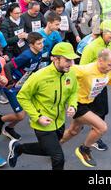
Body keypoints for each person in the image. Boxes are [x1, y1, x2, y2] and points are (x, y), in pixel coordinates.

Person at [7, 42, 79, 170]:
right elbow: (22, 96)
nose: (71, 63)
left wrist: (73, 105)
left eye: (72, 60)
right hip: (42, 123)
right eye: (67, 60)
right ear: (56, 59)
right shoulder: (39, 76)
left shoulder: (70, 73)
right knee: (58, 157)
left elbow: (73, 92)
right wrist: (37, 116)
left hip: (60, 121)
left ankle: (18, 148)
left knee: (47, 150)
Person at [61, 49, 111, 168]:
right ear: (100, 61)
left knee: (73, 131)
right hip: (77, 104)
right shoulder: (86, 70)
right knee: (101, 127)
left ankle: (53, 148)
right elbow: (63, 71)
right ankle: (84, 149)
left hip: (89, 102)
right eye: (109, 64)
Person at [79, 20, 111, 151]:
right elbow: (82, 68)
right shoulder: (91, 47)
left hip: (102, 83)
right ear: (102, 32)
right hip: (89, 85)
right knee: (90, 110)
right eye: (110, 33)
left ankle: (92, 129)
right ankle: (95, 136)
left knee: (102, 110)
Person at [1, 32, 44, 141]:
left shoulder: (39, 54)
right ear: (31, 45)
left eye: (42, 42)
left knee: (25, 111)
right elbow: (7, 66)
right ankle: (0, 119)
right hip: (13, 86)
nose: (42, 45)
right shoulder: (26, 55)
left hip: (23, 85)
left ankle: (9, 128)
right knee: (20, 115)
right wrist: (10, 82)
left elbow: (33, 69)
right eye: (39, 43)